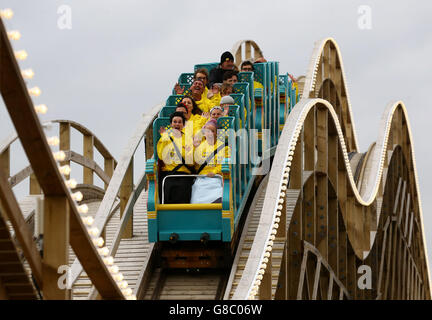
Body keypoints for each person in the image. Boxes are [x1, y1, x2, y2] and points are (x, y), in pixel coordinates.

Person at [157, 112, 195, 203]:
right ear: (171, 124)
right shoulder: (165, 137)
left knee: (183, 201)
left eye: (179, 122)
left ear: (183, 125)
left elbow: (191, 160)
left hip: (184, 175)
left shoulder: (188, 139)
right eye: (175, 122)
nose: (177, 124)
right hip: (169, 175)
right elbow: (161, 155)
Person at [190, 120, 230, 204]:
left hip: (217, 178)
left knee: (217, 191)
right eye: (207, 131)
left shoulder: (224, 147)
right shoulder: (199, 147)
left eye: (212, 131)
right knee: (196, 189)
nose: (210, 133)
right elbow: (194, 163)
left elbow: (226, 163)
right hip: (201, 178)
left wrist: (214, 172)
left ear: (217, 133)